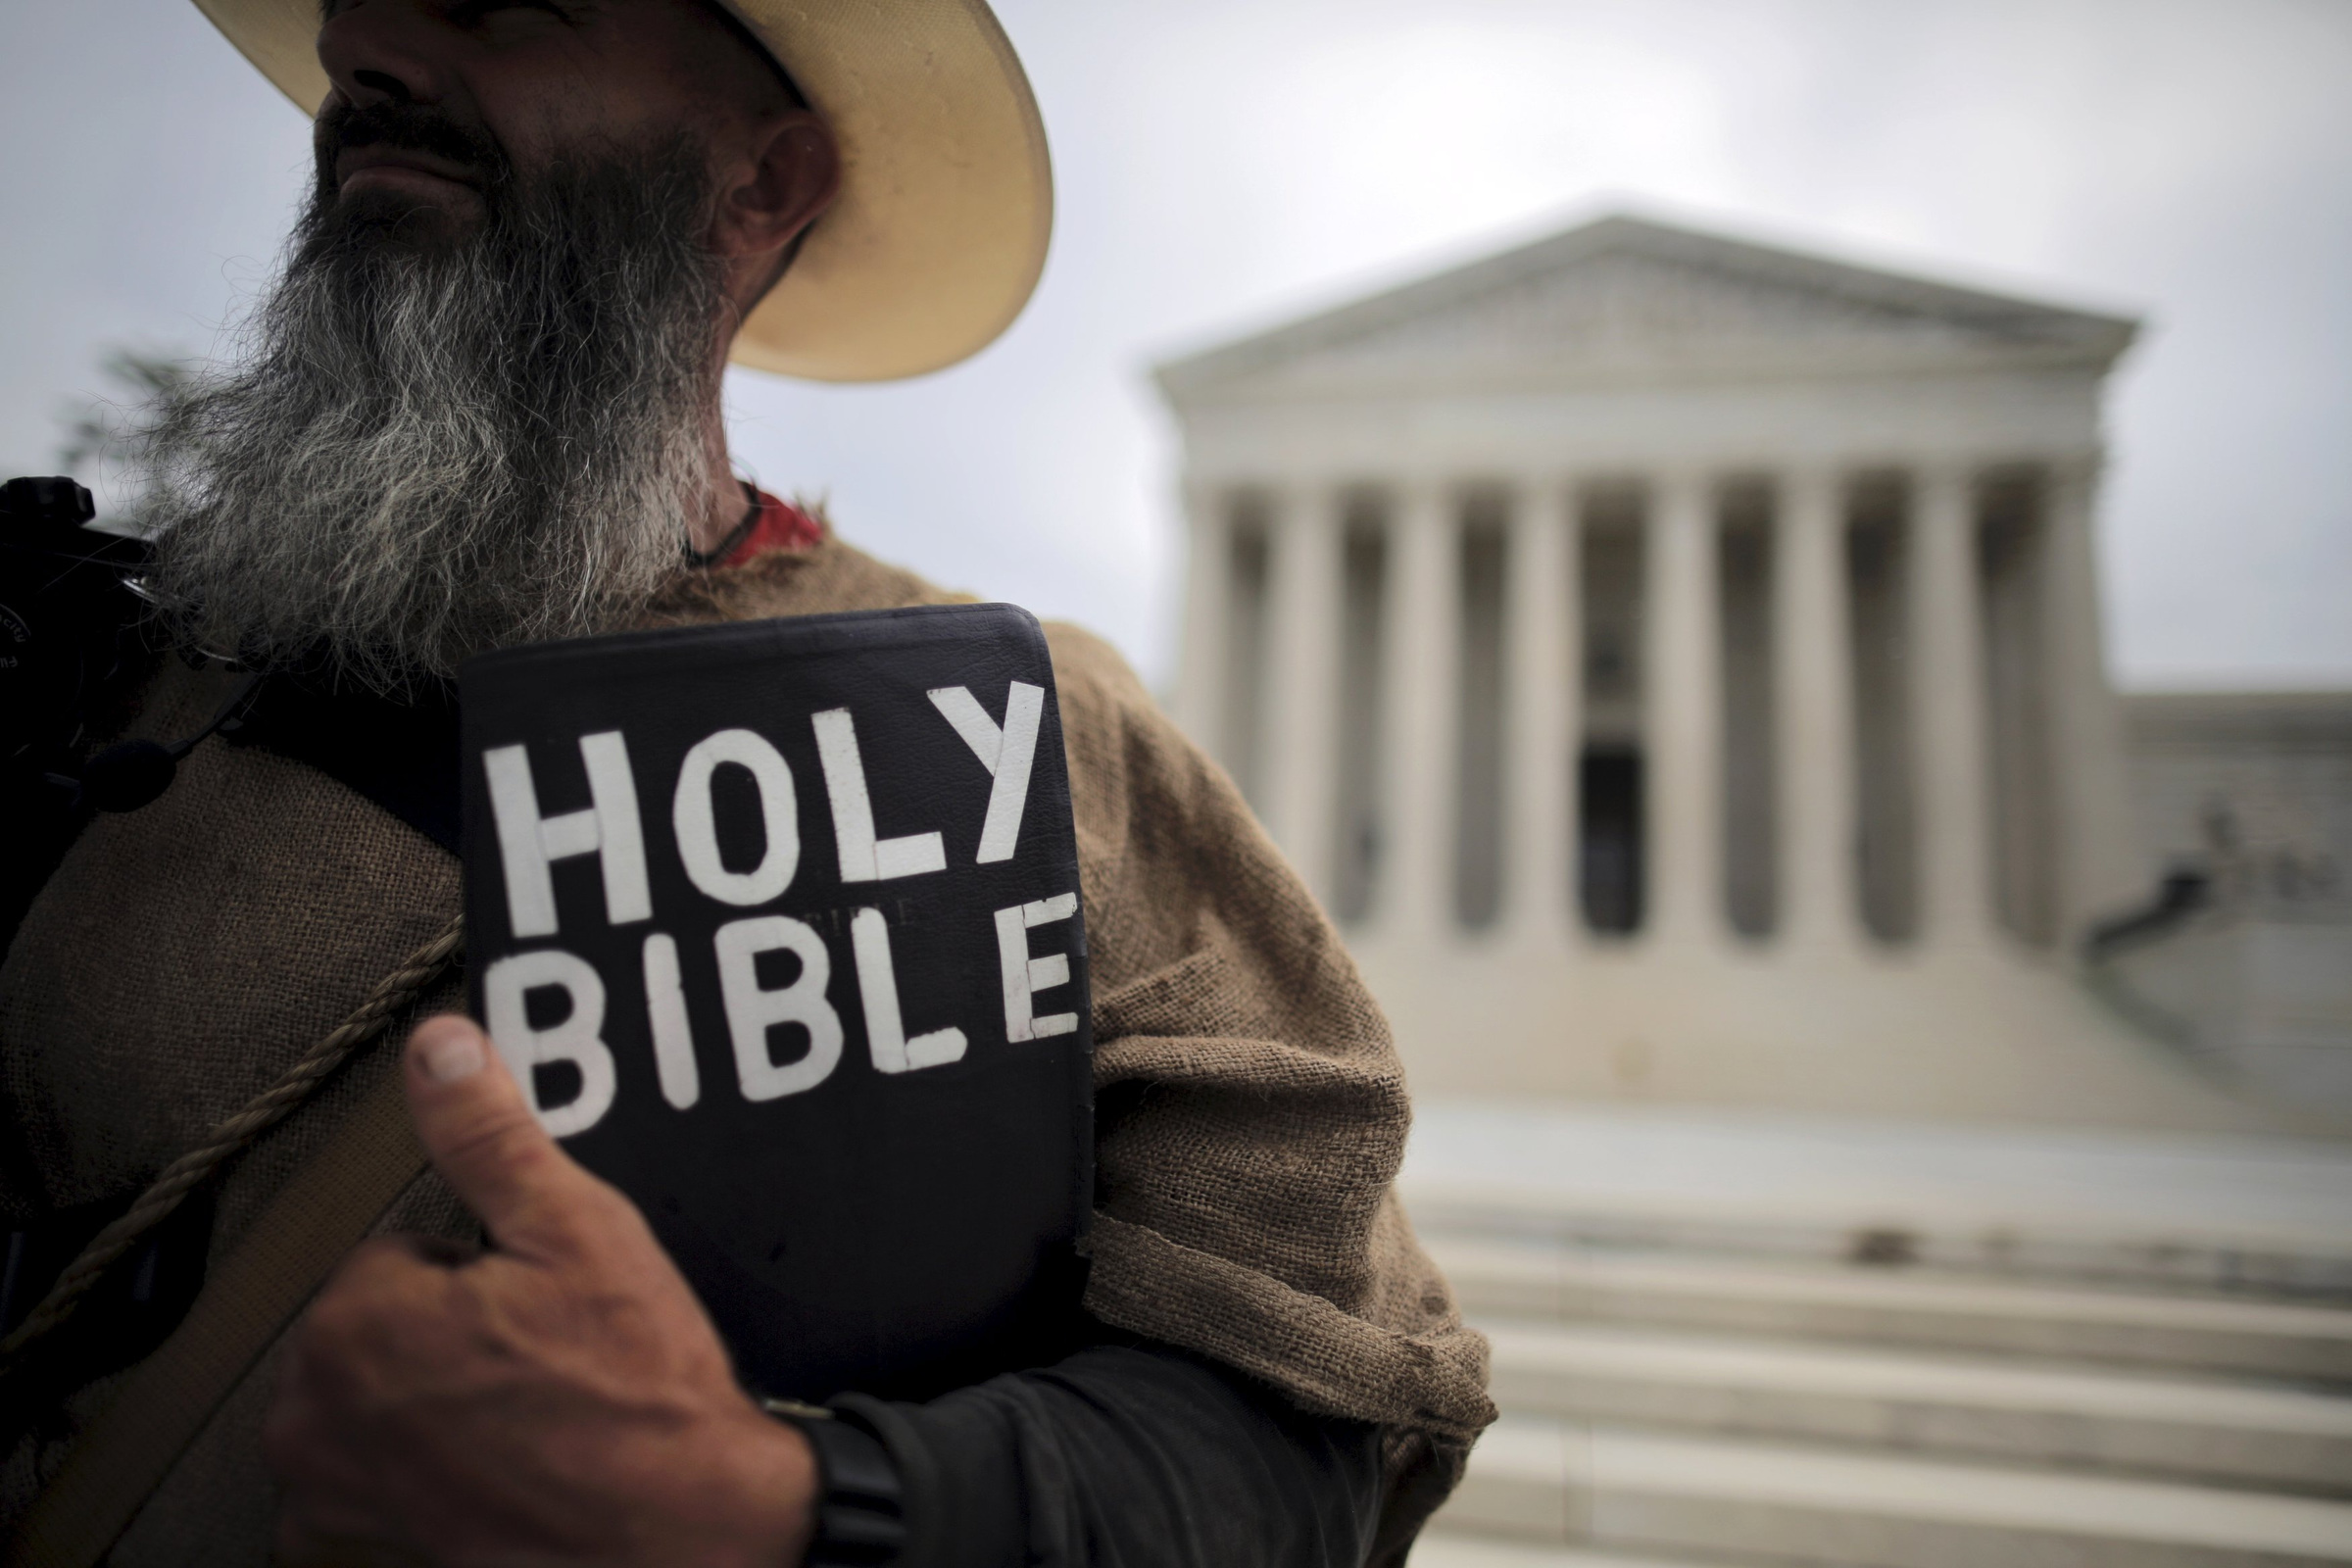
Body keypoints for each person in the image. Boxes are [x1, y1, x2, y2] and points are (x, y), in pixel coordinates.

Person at [0, 1, 1494, 1563]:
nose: (366, 56)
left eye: (505, 4)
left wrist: (773, 1507)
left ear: (764, 185)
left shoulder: (1026, 740)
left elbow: (1306, 1427)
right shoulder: (128, 660)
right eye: (359, 7)